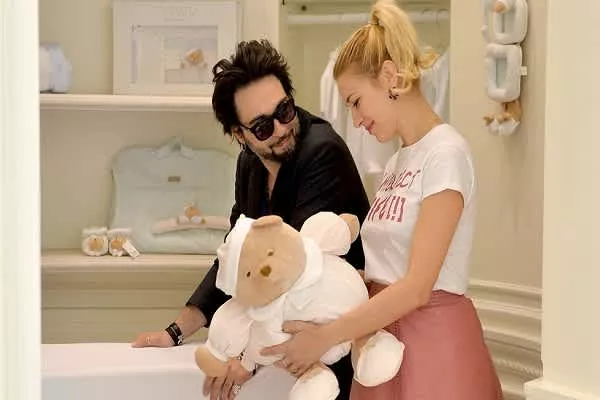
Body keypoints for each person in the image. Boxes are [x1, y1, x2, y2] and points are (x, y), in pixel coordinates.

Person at [260, 1, 504, 399]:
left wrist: (325, 337)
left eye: (356, 102)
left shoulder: (445, 153)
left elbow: (417, 287)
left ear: (389, 77)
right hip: (381, 341)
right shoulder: (395, 163)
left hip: (434, 345)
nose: (355, 120)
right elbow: (387, 268)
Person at [131, 39, 371, 400]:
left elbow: (287, 269)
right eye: (261, 127)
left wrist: (245, 360)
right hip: (288, 343)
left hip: (336, 341)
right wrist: (175, 332)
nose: (281, 128)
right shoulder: (250, 165)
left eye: (285, 110)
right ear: (238, 134)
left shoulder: (322, 152)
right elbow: (236, 256)